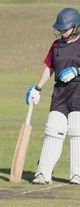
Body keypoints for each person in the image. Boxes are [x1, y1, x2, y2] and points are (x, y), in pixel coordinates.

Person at [27, 8, 80, 184]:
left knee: (76, 131)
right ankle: (43, 173)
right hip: (60, 92)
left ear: (76, 26)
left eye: (65, 29)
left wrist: (76, 71)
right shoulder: (56, 45)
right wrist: (37, 88)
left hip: (78, 91)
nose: (62, 32)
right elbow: (49, 68)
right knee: (52, 130)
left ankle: (77, 174)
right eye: (60, 29)